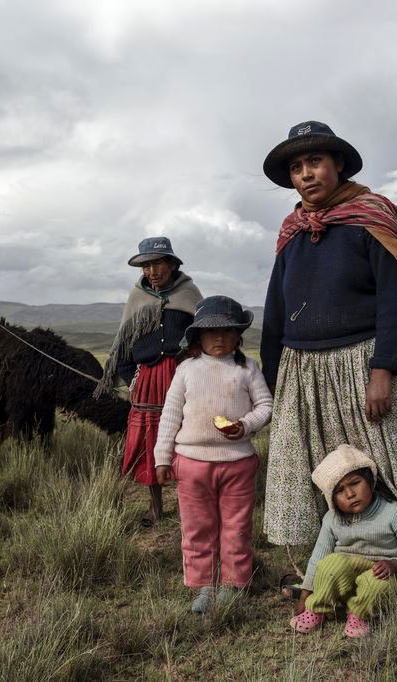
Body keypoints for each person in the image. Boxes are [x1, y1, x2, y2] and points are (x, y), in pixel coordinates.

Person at [260, 120, 397, 547]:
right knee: (327, 470)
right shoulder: (293, 233)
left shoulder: (370, 218)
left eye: (315, 161)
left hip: (365, 362)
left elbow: (396, 299)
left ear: (338, 164)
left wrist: (383, 370)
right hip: (306, 371)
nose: (305, 173)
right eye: (297, 166)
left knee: (386, 465)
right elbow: (276, 309)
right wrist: (272, 378)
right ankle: (333, 556)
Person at [152, 296, 273, 613]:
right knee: (197, 527)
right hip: (191, 464)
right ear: (198, 337)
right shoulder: (186, 370)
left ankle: (233, 585)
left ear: (238, 336)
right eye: (211, 332)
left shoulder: (247, 369)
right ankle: (203, 586)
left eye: (227, 331)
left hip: (238, 463)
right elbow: (170, 415)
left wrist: (245, 426)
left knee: (237, 526)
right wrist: (162, 458)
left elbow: (265, 407)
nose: (219, 338)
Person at [96, 237, 203, 527]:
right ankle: (156, 507)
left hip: (181, 374)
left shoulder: (189, 293)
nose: (152, 271)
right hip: (147, 379)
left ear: (171, 264)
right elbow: (124, 344)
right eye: (146, 265)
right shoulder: (137, 298)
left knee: (188, 437)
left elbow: (202, 334)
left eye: (158, 263)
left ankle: (190, 505)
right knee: (149, 441)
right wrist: (133, 378)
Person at [289, 444, 397, 638]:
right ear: (332, 498)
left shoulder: (393, 513)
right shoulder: (332, 519)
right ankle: (318, 609)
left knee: (376, 584)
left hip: (382, 576)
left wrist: (394, 564)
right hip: (346, 580)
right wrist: (305, 594)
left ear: (370, 480)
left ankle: (359, 614)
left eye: (355, 483)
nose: (350, 494)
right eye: (340, 490)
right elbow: (317, 558)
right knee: (328, 564)